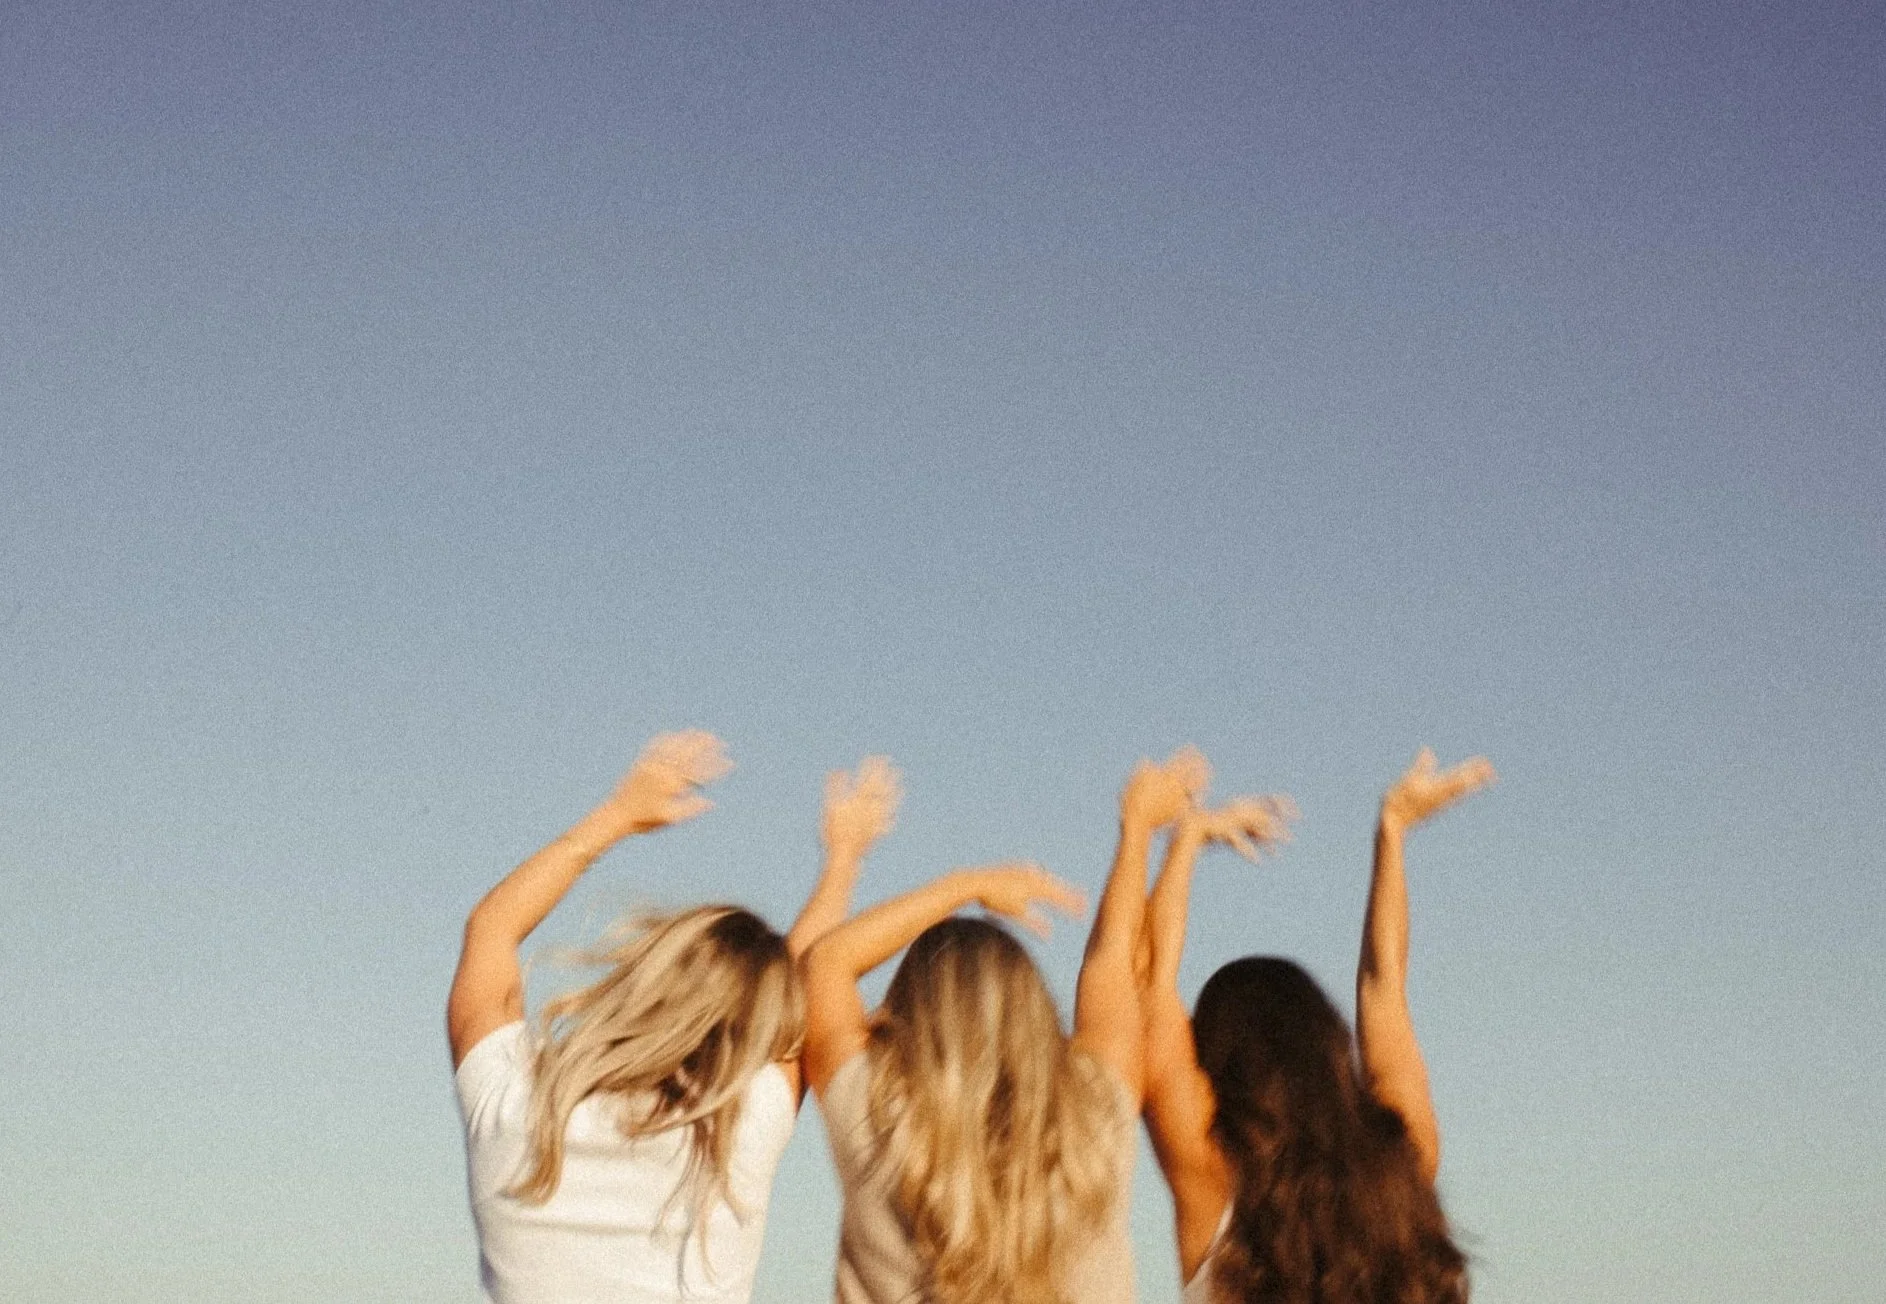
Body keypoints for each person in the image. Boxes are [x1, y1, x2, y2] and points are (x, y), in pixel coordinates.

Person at [447, 733, 900, 1304]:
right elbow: (809, 977)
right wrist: (844, 858)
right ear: (761, 1026)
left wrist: (617, 816)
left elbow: (491, 928)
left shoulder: (512, 1103)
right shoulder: (745, 1124)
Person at [800, 750, 1210, 1304]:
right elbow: (1115, 965)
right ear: (1036, 1014)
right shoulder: (1097, 1114)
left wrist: (967, 885)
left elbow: (824, 962)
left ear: (906, 1017)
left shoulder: (871, 1114)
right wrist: (1136, 829)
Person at [1140, 748, 1492, 1304]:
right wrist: (1392, 834)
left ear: (1215, 1057)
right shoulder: (1401, 1160)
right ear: (1327, 1043)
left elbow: (1150, 985)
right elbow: (1384, 989)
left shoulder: (1210, 1175)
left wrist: (1183, 843)